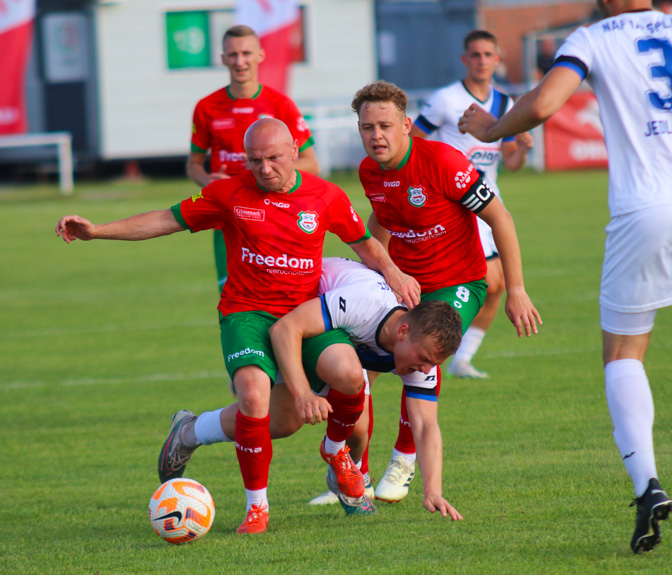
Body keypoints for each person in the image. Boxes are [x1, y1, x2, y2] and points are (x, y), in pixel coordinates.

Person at [459, 0, 672, 554]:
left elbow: (544, 103)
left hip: (644, 208)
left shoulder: (594, 37)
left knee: (625, 354)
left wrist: (490, 128)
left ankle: (648, 486)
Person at [56, 118, 419, 534]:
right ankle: (257, 509)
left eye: (274, 159)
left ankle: (332, 454)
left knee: (344, 379)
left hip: (304, 314)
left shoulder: (325, 196)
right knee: (253, 398)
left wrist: (393, 272)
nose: (264, 169)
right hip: (247, 313)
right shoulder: (228, 192)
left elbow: (365, 244)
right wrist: (96, 231)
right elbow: (165, 219)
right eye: (255, 160)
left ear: (295, 150)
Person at [343, 80, 541, 506]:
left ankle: (404, 458)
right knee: (361, 368)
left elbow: (500, 218)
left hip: (460, 283)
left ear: (406, 126)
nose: (376, 135)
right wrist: (372, 270)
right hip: (407, 281)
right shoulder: (369, 171)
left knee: (418, 353)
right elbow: (381, 217)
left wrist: (516, 289)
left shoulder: (442, 162)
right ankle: (352, 473)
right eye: (366, 127)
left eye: (384, 126)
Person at [158, 257, 466, 520]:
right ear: (402, 331)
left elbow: (426, 425)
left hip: (331, 339)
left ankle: (344, 475)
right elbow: (287, 328)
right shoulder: (365, 303)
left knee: (355, 429)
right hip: (290, 311)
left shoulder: (419, 354)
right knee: (284, 419)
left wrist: (433, 490)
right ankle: (191, 431)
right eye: (424, 360)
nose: (426, 369)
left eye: (432, 363)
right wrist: (303, 393)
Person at [410, 30, 534, 379]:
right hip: (457, 204)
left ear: (497, 59)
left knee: (495, 286)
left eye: (488, 54)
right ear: (465, 60)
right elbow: (411, 144)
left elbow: (510, 163)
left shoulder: (505, 104)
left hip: (488, 202)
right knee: (493, 281)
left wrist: (522, 149)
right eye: (475, 55)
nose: (481, 60)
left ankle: (459, 358)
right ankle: (427, 346)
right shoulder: (445, 100)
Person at [187, 25, 320, 293]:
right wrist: (209, 181)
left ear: (260, 55)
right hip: (227, 216)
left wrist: (268, 174)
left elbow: (311, 163)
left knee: (279, 292)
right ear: (223, 59)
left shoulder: (280, 105)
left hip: (274, 214)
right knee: (231, 294)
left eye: (246, 53)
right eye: (232, 54)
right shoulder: (206, 107)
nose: (240, 61)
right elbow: (193, 165)